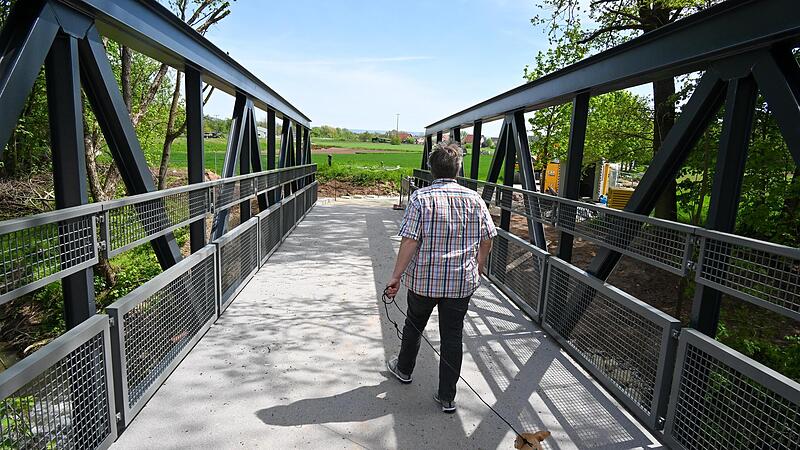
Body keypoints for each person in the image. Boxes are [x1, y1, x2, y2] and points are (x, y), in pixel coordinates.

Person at [385, 140, 497, 413]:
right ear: (458, 169)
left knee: (414, 325)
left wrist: (396, 276)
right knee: (452, 336)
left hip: (424, 280)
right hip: (461, 282)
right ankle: (447, 397)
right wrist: (480, 264)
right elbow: (488, 239)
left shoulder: (421, 198)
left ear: (431, 169)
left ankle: (404, 370)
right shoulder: (475, 199)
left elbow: (410, 241)